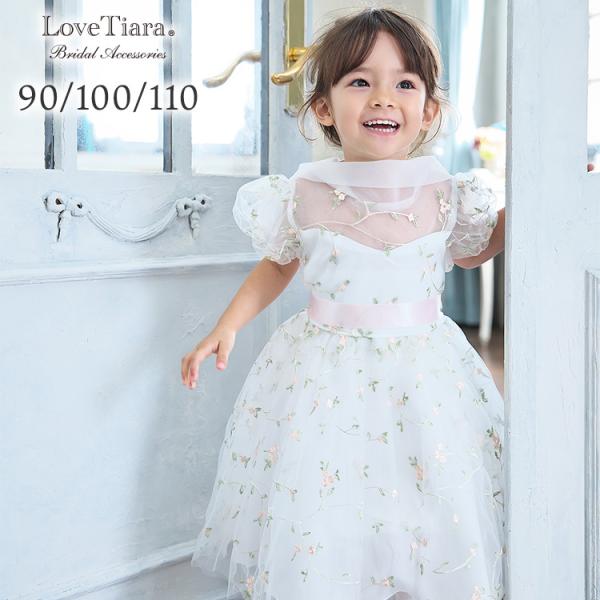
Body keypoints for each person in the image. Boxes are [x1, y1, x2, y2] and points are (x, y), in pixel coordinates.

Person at [182, 7, 506, 600]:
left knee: (424, 488)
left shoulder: (446, 191)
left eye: (404, 83)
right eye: (360, 81)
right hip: (325, 375)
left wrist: (528, 209)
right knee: (330, 494)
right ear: (325, 107)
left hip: (423, 373)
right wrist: (226, 326)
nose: (383, 97)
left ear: (429, 110)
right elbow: (279, 264)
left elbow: (471, 251)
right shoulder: (304, 192)